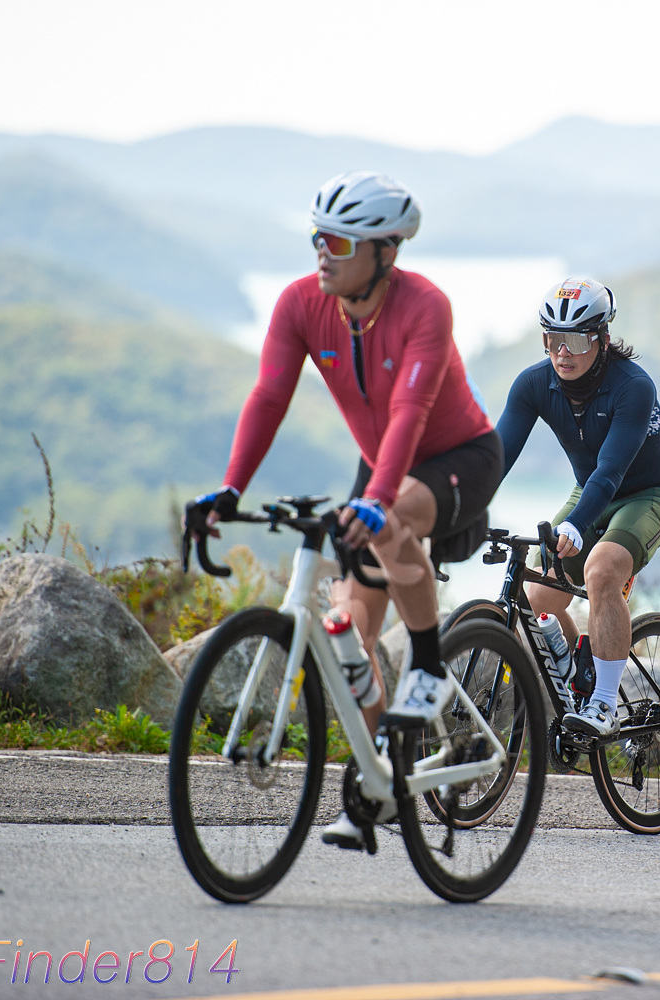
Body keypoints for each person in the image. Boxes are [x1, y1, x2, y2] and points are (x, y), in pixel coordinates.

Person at [194, 170, 502, 848]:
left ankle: (427, 667)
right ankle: (377, 785)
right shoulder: (301, 303)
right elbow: (268, 396)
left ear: (384, 252)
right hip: (381, 464)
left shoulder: (425, 306)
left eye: (337, 242)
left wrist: (376, 501)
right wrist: (230, 490)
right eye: (317, 238)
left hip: (459, 456)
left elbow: (411, 411)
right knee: (347, 635)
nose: (321, 253)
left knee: (390, 525)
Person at [495, 277, 660, 738]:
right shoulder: (533, 384)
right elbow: (494, 458)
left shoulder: (633, 386)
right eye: (553, 339)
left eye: (578, 340)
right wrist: (456, 510)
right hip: (589, 490)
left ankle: (604, 704)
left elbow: (611, 470)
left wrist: (578, 525)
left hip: (648, 492)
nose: (563, 352)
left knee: (601, 570)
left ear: (602, 338)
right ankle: (573, 672)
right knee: (535, 596)